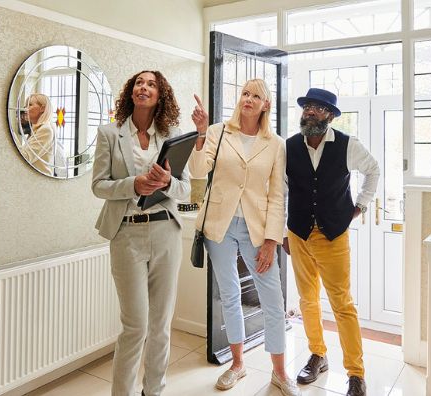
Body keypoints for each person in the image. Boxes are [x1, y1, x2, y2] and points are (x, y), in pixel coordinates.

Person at [188, 79, 299, 396]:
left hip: (257, 229)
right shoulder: (218, 132)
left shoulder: (275, 144)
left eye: (256, 96)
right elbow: (198, 172)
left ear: (266, 105)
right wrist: (200, 131)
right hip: (219, 226)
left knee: (273, 301)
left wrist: (271, 240)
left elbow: (278, 196)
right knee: (230, 294)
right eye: (244, 93)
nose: (248, 99)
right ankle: (237, 365)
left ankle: (279, 371)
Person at [91, 70, 191, 396]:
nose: (143, 87)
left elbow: (186, 190)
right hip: (126, 234)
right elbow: (99, 186)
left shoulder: (173, 135)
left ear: (160, 95)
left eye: (151, 84)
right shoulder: (109, 134)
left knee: (161, 326)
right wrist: (133, 184)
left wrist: (166, 183)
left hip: (166, 232)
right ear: (130, 93)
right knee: (135, 326)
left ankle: (154, 391)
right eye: (138, 83)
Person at [282, 88, 380, 396]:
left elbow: (373, 171)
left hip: (333, 235)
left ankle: (355, 373)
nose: (310, 111)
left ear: (331, 116)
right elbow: (281, 190)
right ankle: (318, 355)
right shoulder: (289, 146)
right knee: (307, 300)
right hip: (298, 234)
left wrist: (360, 206)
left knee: (342, 305)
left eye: (319, 108)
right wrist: (283, 231)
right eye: (307, 106)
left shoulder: (348, 145)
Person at [22, 93, 56, 175]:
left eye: (29, 105)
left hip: (39, 182)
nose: (25, 109)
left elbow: (26, 158)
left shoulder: (45, 130)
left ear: (42, 108)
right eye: (25, 106)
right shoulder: (36, 129)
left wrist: (9, 134)